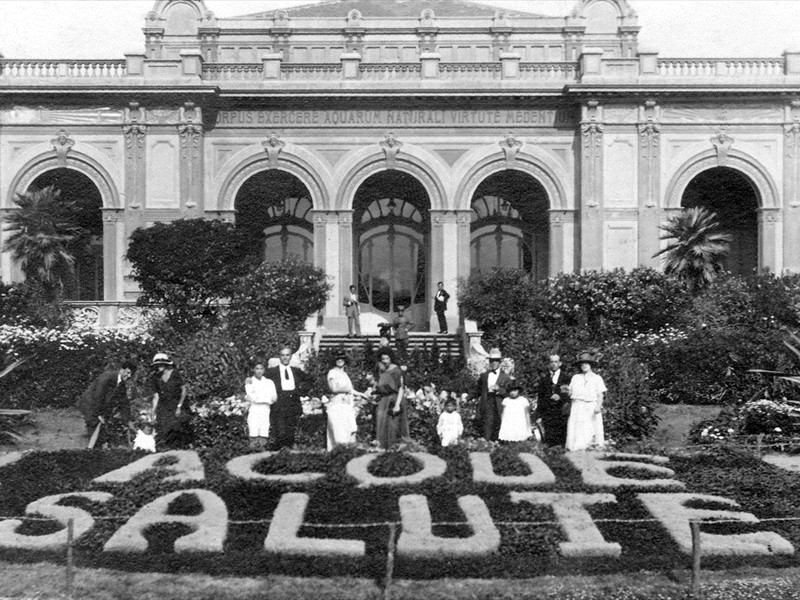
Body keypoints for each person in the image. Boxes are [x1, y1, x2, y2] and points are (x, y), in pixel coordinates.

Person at [76, 360, 136, 449]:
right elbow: (98, 395)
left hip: (99, 407)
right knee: (95, 425)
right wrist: (99, 414)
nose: (129, 376)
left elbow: (124, 403)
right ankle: (91, 450)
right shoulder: (107, 377)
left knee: (102, 429)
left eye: (131, 374)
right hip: (90, 405)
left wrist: (127, 421)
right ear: (121, 370)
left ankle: (96, 449)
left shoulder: (121, 385)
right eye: (128, 372)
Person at [266, 346, 312, 450]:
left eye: (287, 355)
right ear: (279, 357)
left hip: (293, 402)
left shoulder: (296, 371)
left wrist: (301, 391)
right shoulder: (272, 372)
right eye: (282, 355)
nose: (285, 358)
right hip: (279, 403)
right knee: (280, 431)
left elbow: (309, 380)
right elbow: (262, 381)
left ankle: (290, 455)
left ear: (291, 356)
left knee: (290, 431)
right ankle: (279, 453)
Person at [325, 350, 368, 450]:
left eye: (342, 358)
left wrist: (361, 394)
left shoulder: (344, 374)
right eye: (337, 359)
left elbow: (351, 389)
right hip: (337, 405)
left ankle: (348, 456)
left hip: (346, 405)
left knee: (349, 431)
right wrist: (348, 390)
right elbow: (334, 389)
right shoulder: (332, 372)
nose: (340, 360)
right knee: (339, 432)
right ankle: (338, 455)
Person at [468, 348, 512, 441]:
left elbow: (510, 392)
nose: (494, 363)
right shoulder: (484, 375)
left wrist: (499, 389)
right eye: (492, 361)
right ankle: (486, 446)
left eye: (496, 361)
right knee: (487, 425)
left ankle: (499, 447)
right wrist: (467, 398)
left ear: (500, 362)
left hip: (500, 404)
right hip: (487, 401)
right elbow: (477, 390)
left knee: (499, 426)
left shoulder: (506, 377)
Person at [566, 352, 607, 452]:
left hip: (591, 407)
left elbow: (600, 395)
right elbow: (570, 393)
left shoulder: (597, 378)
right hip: (578, 406)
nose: (584, 365)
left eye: (586, 363)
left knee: (590, 429)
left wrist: (598, 406)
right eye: (582, 363)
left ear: (591, 365)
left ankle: (592, 449)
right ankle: (576, 450)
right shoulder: (576, 378)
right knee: (578, 429)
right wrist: (566, 390)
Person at [151, 353, 190, 449]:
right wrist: (153, 412)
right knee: (163, 431)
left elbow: (184, 390)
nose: (159, 367)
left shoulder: (175, 374)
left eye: (161, 364)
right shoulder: (156, 378)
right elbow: (156, 396)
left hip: (177, 405)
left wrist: (179, 406)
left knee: (177, 429)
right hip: (164, 407)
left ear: (166, 364)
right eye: (157, 365)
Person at [534, 354, 571, 447]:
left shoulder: (567, 378)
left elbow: (570, 395)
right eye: (552, 362)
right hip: (548, 413)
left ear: (560, 363)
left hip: (561, 412)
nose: (554, 364)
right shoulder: (544, 379)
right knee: (549, 440)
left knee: (561, 439)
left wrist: (560, 397)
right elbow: (540, 398)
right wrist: (539, 415)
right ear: (549, 364)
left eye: (556, 362)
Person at [374, 349, 408, 449]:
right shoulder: (382, 371)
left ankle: (394, 449)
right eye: (383, 358)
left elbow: (401, 388)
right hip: (384, 401)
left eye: (387, 358)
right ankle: (383, 449)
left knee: (393, 427)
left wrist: (397, 404)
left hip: (394, 400)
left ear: (391, 358)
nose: (385, 360)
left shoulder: (396, 370)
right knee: (382, 426)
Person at [244, 361, 278, 450]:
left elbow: (273, 397)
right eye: (257, 368)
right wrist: (264, 398)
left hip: (265, 409)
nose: (259, 371)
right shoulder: (250, 381)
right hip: (254, 409)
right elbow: (251, 396)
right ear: (253, 370)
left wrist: (258, 398)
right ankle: (252, 452)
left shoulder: (269, 382)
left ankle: (262, 453)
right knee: (253, 428)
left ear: (264, 370)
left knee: (264, 429)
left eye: (261, 369)